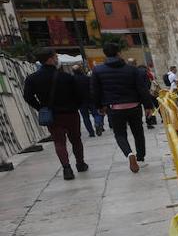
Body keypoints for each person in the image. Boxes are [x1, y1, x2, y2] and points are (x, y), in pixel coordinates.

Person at [92, 41, 157, 173]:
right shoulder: (132, 69)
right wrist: (148, 106)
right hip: (134, 106)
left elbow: (95, 91)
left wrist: (99, 106)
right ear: (119, 53)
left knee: (120, 134)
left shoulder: (98, 70)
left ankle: (129, 154)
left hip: (115, 108)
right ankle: (140, 158)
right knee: (138, 132)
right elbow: (142, 89)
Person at [23, 48, 87, 180]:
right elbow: (79, 95)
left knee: (59, 142)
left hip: (52, 115)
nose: (57, 59)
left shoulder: (32, 79)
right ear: (51, 58)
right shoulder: (66, 77)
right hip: (70, 113)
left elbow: (28, 97)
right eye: (56, 57)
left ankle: (66, 168)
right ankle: (80, 163)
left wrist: (41, 107)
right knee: (76, 139)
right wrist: (76, 106)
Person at [71, 65, 98, 137]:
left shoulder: (72, 80)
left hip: (80, 101)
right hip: (90, 99)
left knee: (86, 117)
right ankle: (98, 123)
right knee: (95, 114)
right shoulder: (87, 78)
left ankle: (91, 132)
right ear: (81, 70)